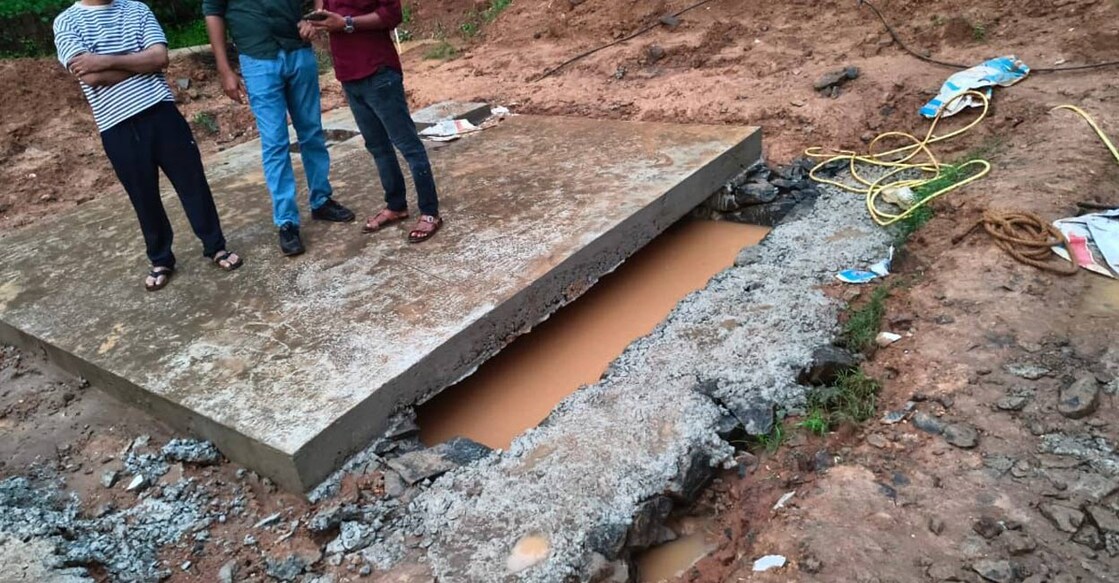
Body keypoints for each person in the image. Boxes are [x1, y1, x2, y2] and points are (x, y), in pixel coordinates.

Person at [54, 0, 243, 292]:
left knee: (193, 182)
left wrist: (103, 61)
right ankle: (161, 258)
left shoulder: (136, 9)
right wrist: (136, 62)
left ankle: (215, 245)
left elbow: (159, 58)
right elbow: (90, 77)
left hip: (161, 113)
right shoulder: (66, 22)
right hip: (116, 125)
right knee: (143, 197)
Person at [202, 0, 356, 256]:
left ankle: (321, 200)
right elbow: (213, 12)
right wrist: (224, 68)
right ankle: (286, 221)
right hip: (257, 58)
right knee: (275, 142)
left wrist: (313, 21)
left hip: (299, 51)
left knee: (312, 131)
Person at [307, 0, 444, 243]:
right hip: (348, 75)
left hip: (378, 71)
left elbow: (392, 15)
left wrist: (346, 23)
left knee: (407, 145)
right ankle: (396, 205)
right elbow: (323, 9)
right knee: (378, 147)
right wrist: (317, 20)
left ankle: (430, 212)